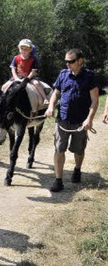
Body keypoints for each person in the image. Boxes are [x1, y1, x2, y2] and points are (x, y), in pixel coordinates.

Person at [45, 49, 98, 192]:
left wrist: (89, 119)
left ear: (80, 61)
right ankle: (58, 180)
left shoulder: (89, 76)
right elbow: (56, 93)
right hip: (62, 119)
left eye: (71, 61)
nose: (68, 64)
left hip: (80, 122)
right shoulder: (63, 74)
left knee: (79, 150)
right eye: (66, 61)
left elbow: (94, 101)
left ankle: (77, 169)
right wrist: (50, 106)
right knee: (59, 149)